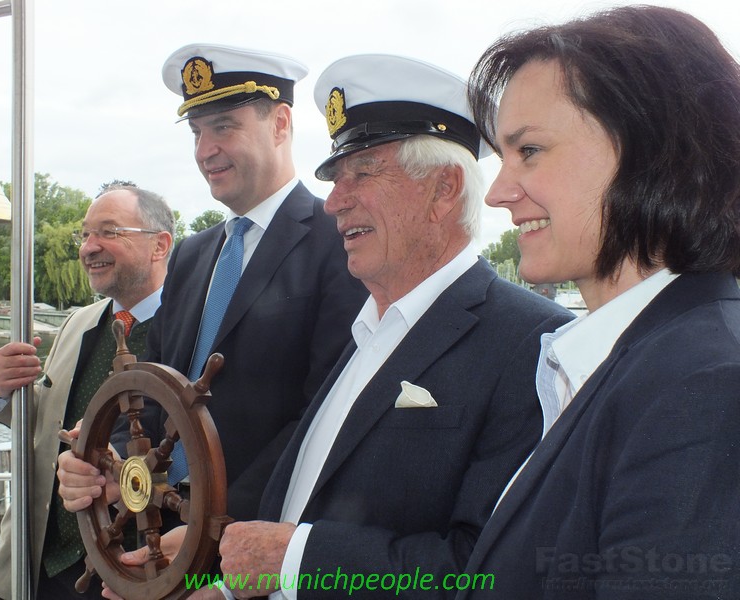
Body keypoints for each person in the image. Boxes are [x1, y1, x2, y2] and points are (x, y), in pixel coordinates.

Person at [106, 54, 573, 600]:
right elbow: (306, 505)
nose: (333, 202)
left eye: (363, 173)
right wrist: (227, 588)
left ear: (444, 190)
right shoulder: (368, 332)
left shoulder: (536, 346)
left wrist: (292, 561)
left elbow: (497, 570)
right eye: (334, 178)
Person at [459, 5, 740, 598]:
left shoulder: (704, 388)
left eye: (529, 150)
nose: (500, 193)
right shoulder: (649, 361)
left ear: (652, 151)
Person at [58, 45, 367, 528]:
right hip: (161, 530)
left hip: (253, 540)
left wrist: (210, 527)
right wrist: (106, 459)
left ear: (281, 124)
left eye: (224, 126)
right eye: (198, 132)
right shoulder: (191, 254)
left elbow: (324, 416)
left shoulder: (340, 244)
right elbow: (154, 390)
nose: (204, 150)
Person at [0, 184, 175, 599]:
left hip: (123, 567)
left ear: (159, 245)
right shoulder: (79, 322)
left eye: (109, 232)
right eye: (85, 234)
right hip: (34, 551)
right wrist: (1, 389)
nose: (89, 247)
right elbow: (51, 416)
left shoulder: (190, 329)